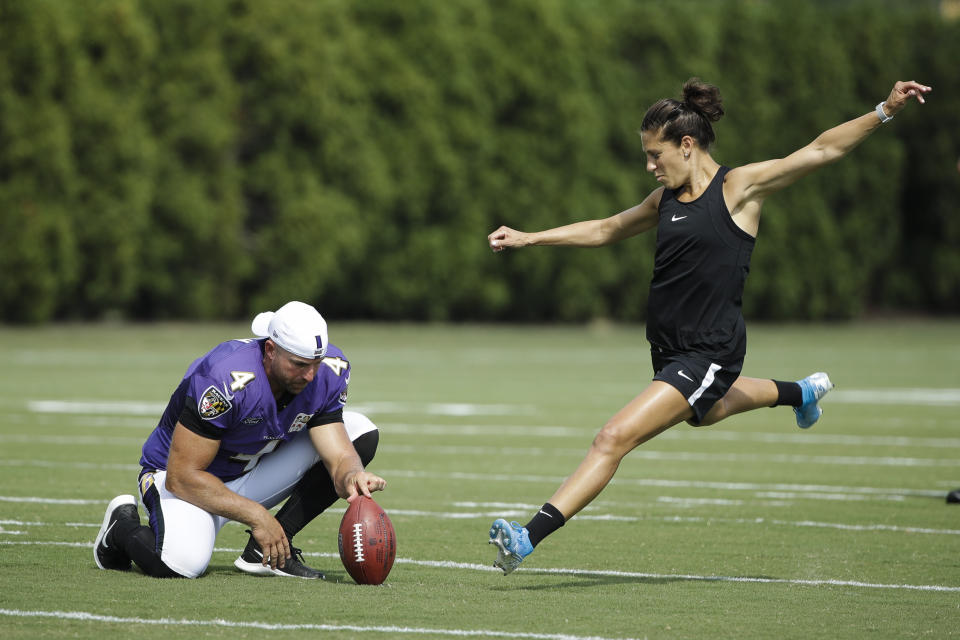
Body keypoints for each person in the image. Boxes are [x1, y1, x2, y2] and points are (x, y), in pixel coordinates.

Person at [485, 79, 932, 574]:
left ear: (687, 145)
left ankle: (527, 537)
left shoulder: (738, 188)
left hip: (708, 350)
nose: (649, 167)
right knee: (709, 410)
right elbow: (608, 228)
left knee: (612, 438)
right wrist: (530, 237)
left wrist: (884, 110)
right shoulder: (664, 202)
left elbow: (821, 149)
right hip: (670, 350)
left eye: (656, 156)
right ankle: (799, 393)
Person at [93, 301, 386, 579]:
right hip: (186, 481)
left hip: (250, 470)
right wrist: (258, 516)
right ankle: (120, 527)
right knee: (180, 563)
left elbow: (337, 453)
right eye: (299, 364)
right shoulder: (224, 378)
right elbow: (182, 477)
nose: (310, 375)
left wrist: (351, 475)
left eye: (315, 363)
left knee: (358, 430)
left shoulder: (328, 371)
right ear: (270, 350)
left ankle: (267, 551)